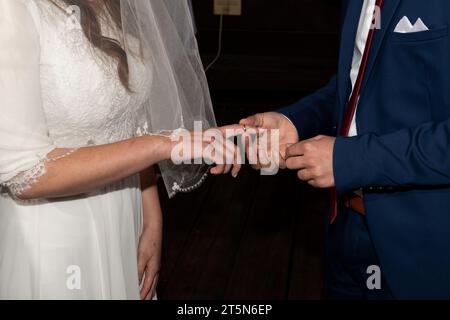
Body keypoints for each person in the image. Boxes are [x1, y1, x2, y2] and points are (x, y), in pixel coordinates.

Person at [0, 0, 238, 300]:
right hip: (55, 236)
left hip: (126, 220)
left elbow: (129, 122)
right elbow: (25, 173)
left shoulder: (117, 4)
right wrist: (161, 145)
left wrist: (151, 217)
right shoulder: (13, 8)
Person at [241, 0, 450, 299]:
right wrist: (295, 121)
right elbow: (358, 83)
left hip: (425, 246)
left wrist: (349, 160)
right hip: (346, 230)